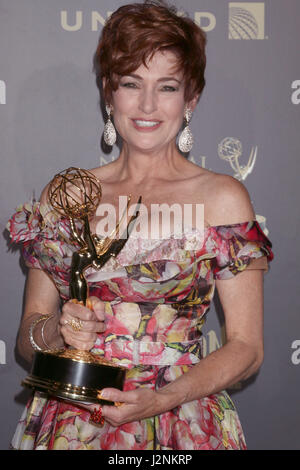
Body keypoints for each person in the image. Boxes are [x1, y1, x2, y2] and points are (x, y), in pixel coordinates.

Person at [6, 0, 273, 450]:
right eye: (132, 83)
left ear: (191, 98)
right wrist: (57, 332)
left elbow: (247, 348)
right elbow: (28, 342)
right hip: (75, 424)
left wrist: (163, 398)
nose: (148, 105)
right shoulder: (68, 194)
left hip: (182, 422)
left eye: (167, 87)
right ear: (110, 93)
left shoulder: (222, 198)